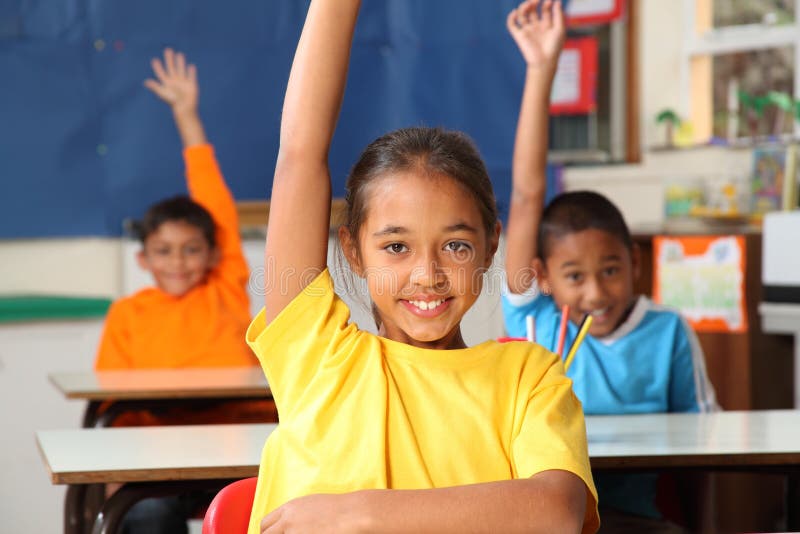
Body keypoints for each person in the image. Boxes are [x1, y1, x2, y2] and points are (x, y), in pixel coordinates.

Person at [245, 0, 599, 533]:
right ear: (352, 251)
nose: (427, 274)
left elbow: (558, 511)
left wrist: (359, 513)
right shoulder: (317, 358)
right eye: (395, 247)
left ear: (489, 248)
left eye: (455, 246)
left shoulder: (528, 377)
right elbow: (299, 153)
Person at [501, 4, 719, 530]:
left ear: (635, 263)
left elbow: (709, 447)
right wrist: (541, 70)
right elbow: (528, 195)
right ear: (544, 277)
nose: (597, 292)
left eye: (611, 270)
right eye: (574, 276)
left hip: (627, 520)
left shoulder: (668, 333)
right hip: (546, 521)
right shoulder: (534, 322)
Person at [94, 48, 274, 534]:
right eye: (164, 251)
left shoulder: (224, 290)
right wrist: (117, 472)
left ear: (214, 255)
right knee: (146, 514)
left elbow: (214, 202)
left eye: (192, 249)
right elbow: (111, 404)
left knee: (262, 513)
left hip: (235, 448)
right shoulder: (129, 313)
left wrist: (187, 116)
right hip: (158, 458)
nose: (178, 262)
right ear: (143, 259)